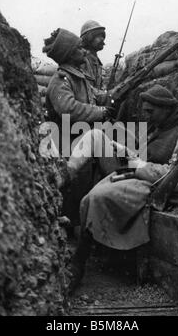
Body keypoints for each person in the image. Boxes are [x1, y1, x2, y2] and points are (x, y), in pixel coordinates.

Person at [66, 84, 178, 292]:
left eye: (150, 111)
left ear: (166, 108)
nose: (146, 116)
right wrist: (127, 152)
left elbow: (176, 175)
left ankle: (80, 260)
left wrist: (139, 166)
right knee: (95, 136)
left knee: (95, 197)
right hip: (137, 170)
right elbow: (145, 156)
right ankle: (66, 173)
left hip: (152, 184)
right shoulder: (161, 126)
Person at [42, 28, 115, 226]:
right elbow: (68, 108)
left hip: (81, 141)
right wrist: (100, 111)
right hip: (68, 144)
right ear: (69, 54)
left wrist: (113, 95)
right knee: (75, 195)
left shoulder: (77, 78)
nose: (84, 52)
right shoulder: (60, 80)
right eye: (79, 49)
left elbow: (95, 95)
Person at [80, 20, 106, 89]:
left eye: (103, 36)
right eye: (98, 36)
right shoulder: (81, 60)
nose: (102, 39)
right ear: (88, 38)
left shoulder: (98, 62)